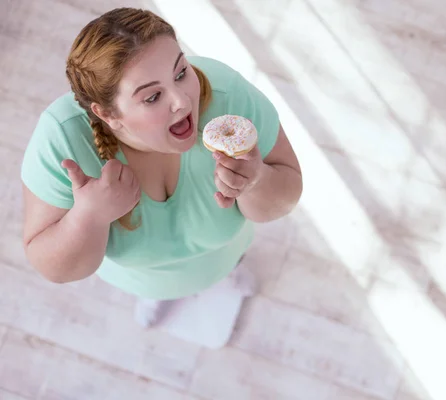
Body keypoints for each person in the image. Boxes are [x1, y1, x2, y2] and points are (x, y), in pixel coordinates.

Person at [20, 7, 302, 332]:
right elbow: (56, 269)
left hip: (224, 253)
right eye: (153, 96)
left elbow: (286, 196)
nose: (182, 101)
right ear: (108, 114)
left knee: (230, 264)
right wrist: (88, 216)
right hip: (142, 278)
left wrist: (256, 180)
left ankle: (228, 274)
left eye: (181, 72)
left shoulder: (228, 97)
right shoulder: (61, 139)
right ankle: (158, 296)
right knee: (157, 289)